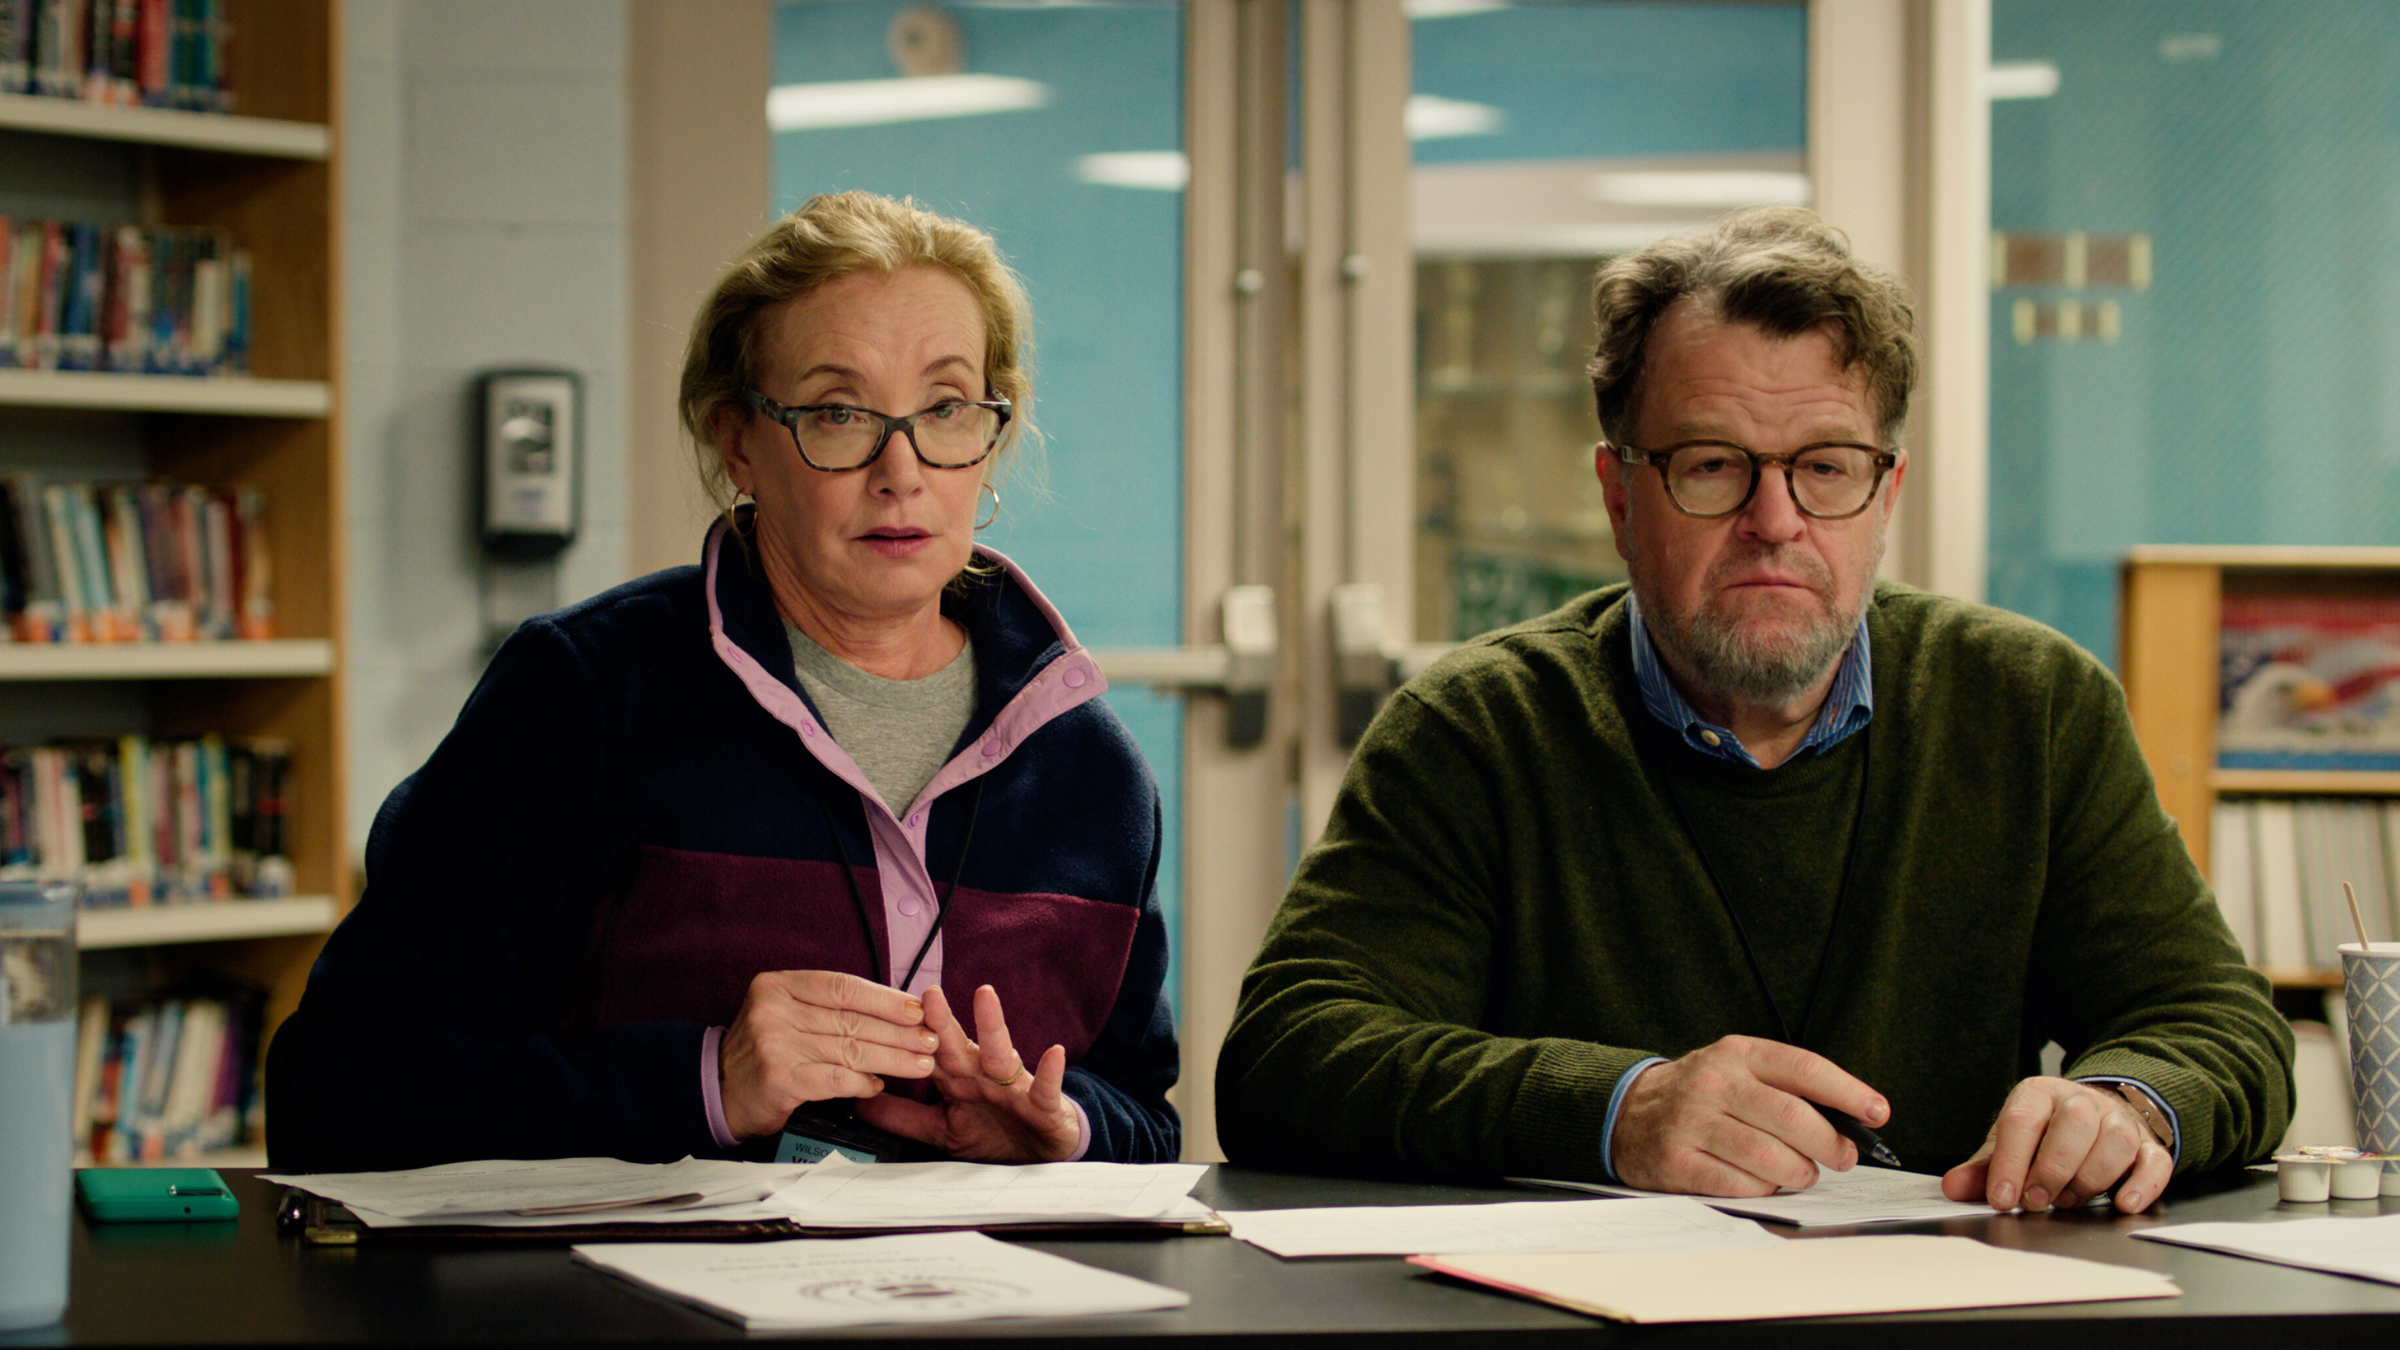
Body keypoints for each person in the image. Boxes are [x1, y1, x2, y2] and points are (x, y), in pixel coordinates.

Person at [1216, 207, 2291, 1214]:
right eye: (1713, 466)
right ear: (1619, 494)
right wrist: (1615, 1108)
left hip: (1939, 1324)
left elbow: (2216, 1023)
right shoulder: (1480, 727)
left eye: (1826, 468)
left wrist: (2125, 1103)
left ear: (1887, 495)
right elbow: (1290, 1057)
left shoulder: (2030, 706)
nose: (1775, 522)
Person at [267, 192, 1178, 1171]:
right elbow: (338, 1092)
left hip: (984, 1317)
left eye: (946, 409)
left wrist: (1067, 1131)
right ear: (739, 443)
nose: (900, 469)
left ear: (991, 436)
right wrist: (706, 1082)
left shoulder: (1091, 770)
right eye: (838, 412)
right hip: (643, 1318)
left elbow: (1147, 1122)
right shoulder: (583, 697)